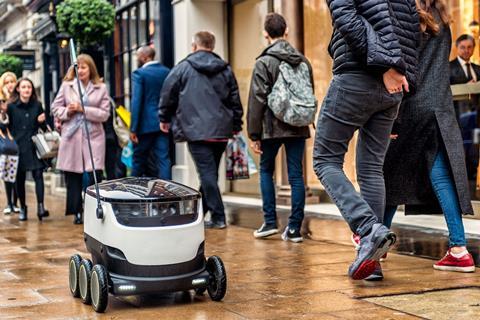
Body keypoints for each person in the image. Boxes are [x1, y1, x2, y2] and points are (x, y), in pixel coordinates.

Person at [312, 0, 419, 280]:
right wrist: (399, 74)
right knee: (371, 169)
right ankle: (373, 261)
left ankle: (368, 229)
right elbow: (411, 33)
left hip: (358, 77)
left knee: (325, 160)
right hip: (393, 87)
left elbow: (346, 17)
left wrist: (383, 66)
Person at [384, 0, 475, 274]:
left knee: (390, 173)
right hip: (440, 107)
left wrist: (393, 117)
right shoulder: (443, 18)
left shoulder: (410, 17)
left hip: (413, 106)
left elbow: (403, 69)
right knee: (440, 175)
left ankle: (374, 239)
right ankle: (458, 249)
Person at [159, 31, 243, 229]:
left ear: (194, 46)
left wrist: (164, 117)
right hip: (221, 130)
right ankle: (198, 215)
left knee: (207, 174)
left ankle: (218, 216)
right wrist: (237, 125)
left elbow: (167, 93)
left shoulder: (182, 68)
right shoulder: (225, 69)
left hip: (195, 130)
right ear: (212, 46)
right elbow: (235, 99)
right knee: (209, 174)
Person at [247, 13, 313, 243]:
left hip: (270, 127)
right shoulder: (302, 60)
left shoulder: (264, 62)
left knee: (266, 170)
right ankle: (294, 229)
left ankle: (270, 223)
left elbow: (257, 99)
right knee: (296, 175)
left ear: (266, 34)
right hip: (298, 124)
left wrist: (254, 134)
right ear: (286, 31)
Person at [51, 54, 110, 224]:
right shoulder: (67, 86)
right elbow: (55, 107)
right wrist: (68, 111)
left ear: (90, 69)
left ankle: (93, 208)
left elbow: (104, 114)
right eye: (78, 67)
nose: (81, 70)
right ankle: (76, 211)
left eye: (84, 67)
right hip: (72, 137)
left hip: (94, 137)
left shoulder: (101, 88)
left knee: (93, 176)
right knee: (73, 176)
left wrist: (84, 109)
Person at [4, 78, 49, 221]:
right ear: (18, 89)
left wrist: (42, 121)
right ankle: (23, 207)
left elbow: (43, 128)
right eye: (23, 87)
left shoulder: (37, 105)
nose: (26, 90)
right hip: (18, 148)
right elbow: (5, 126)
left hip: (34, 146)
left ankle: (41, 207)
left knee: (38, 175)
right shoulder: (11, 107)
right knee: (19, 179)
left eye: (29, 87)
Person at [130, 46, 171, 179]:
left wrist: (133, 128)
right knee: (163, 159)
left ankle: (131, 194)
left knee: (138, 160)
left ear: (144, 57)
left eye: (137, 56)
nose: (137, 59)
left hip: (144, 125)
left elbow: (136, 102)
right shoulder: (167, 72)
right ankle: (167, 194)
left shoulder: (139, 74)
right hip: (163, 123)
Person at [0, 71, 19, 215]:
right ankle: (9, 203)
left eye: (12, 81)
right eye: (6, 82)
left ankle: (16, 202)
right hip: (6, 144)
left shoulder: (19, 100)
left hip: (18, 142)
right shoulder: (2, 102)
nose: (10, 85)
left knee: (17, 174)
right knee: (8, 174)